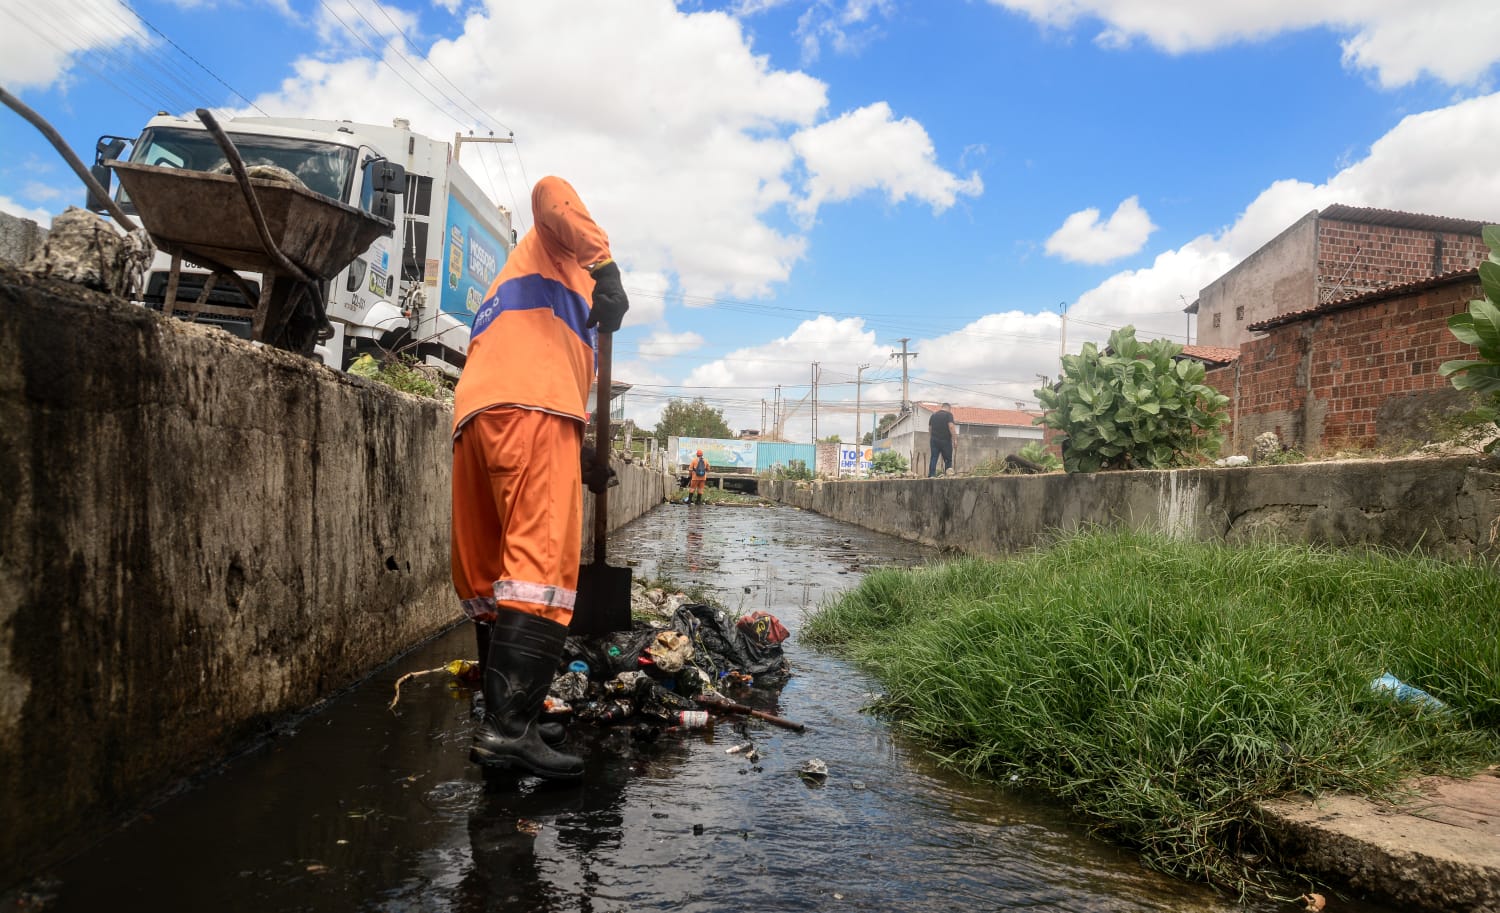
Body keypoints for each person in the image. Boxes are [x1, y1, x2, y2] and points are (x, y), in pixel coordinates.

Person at [449, 176, 628, 782]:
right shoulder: (564, 250)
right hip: (533, 412)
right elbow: (551, 189)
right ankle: (509, 732)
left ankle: (507, 711)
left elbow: (531, 365)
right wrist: (605, 266)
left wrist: (579, 456)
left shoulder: (510, 289)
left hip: (478, 419)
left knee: (491, 575)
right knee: (539, 569)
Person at [928, 402, 957, 477]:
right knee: (948, 459)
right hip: (945, 440)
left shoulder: (933, 415)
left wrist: (932, 437)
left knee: (934, 458)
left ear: (942, 407)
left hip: (934, 440)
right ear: (948, 408)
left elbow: (930, 428)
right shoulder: (948, 415)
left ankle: (931, 475)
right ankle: (948, 475)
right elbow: (951, 427)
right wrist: (955, 439)